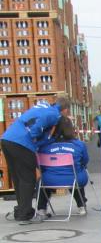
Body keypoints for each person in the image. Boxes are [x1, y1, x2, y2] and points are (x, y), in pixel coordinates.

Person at [0, 95, 70, 223]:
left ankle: (21, 211)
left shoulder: (43, 106)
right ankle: (25, 215)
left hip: (7, 139)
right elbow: (38, 126)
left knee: (18, 177)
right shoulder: (54, 114)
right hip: (22, 143)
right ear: (65, 109)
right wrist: (34, 137)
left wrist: (42, 139)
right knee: (28, 179)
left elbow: (33, 121)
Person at [36, 116, 89, 217]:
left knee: (42, 179)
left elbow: (40, 166)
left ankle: (41, 208)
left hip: (49, 180)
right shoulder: (79, 145)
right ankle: (81, 205)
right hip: (74, 179)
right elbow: (85, 161)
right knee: (76, 174)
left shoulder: (44, 146)